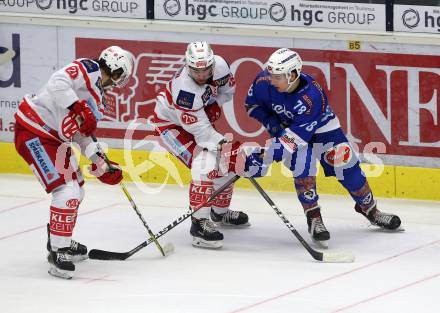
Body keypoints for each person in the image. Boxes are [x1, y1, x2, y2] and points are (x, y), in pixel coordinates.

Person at [244, 48, 402, 247]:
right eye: (271, 75)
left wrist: (265, 157)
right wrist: (273, 125)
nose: (272, 80)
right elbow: (252, 106)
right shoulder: (263, 81)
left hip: (322, 128)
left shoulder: (312, 96)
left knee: (347, 167)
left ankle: (370, 210)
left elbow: (295, 140)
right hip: (288, 129)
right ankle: (314, 217)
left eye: (277, 77)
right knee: (304, 166)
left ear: (292, 75)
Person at [14, 46, 134, 279]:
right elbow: (57, 82)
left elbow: (81, 133)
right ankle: (59, 252)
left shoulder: (98, 98)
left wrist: (100, 162)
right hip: (34, 132)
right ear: (118, 71)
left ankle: (60, 240)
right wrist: (76, 106)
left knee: (77, 191)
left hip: (54, 140)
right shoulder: (89, 68)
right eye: (121, 77)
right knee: (67, 192)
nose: (118, 83)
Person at [152, 41, 249, 249]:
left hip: (197, 117)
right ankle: (199, 224)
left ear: (213, 63)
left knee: (225, 163)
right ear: (188, 66)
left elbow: (228, 91)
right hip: (170, 125)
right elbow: (203, 134)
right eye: (196, 70)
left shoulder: (221, 65)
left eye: (206, 69)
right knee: (204, 161)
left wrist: (213, 103)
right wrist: (223, 144)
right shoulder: (184, 90)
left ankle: (219, 215)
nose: (202, 74)